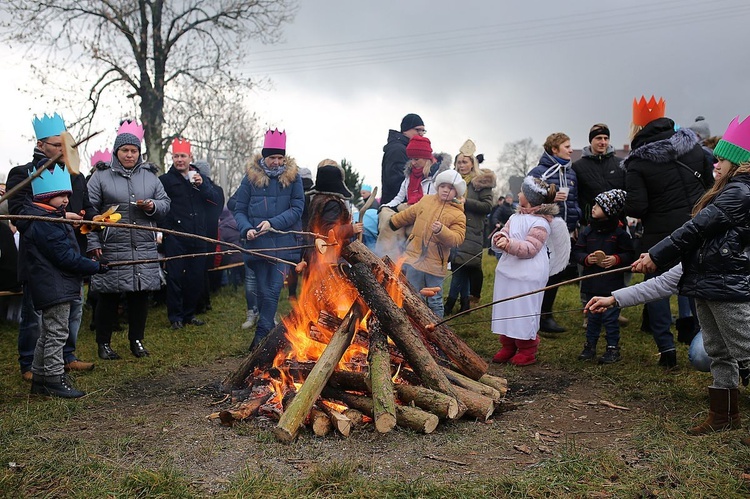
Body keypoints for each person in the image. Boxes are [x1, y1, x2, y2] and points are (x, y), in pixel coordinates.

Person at [622, 116, 750, 441]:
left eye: (721, 159)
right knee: (719, 350)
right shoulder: (725, 190)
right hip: (708, 282)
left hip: (727, 284)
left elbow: (695, 229)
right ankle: (724, 414)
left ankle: (727, 413)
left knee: (745, 350)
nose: (714, 165)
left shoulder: (740, 192)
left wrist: (656, 255)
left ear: (737, 163)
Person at [623, 95, 714, 368]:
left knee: (656, 290)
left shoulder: (637, 163)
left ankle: (666, 349)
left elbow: (637, 207)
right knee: (697, 285)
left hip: (659, 237)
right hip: (698, 230)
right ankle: (704, 343)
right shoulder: (696, 150)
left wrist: (620, 201)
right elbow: (712, 189)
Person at [6, 113, 97, 380]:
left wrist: (92, 220)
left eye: (64, 145)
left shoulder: (75, 176)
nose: (61, 150)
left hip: (71, 252)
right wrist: (60, 217)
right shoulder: (22, 174)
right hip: (41, 258)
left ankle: (66, 356)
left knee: (72, 309)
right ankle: (30, 364)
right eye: (56, 145)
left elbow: (87, 207)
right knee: (36, 313)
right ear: (41, 143)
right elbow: (19, 214)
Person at [87, 120, 171, 359]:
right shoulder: (100, 177)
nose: (129, 154)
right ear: (116, 152)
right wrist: (93, 244)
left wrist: (153, 205)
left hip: (143, 245)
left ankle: (137, 340)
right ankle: (103, 343)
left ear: (139, 153)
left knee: (140, 296)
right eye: (125, 150)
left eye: (134, 151)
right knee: (109, 297)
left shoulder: (151, 178)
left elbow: (165, 204)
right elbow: (90, 212)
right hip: (111, 246)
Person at [23, 163, 106, 397]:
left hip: (54, 284)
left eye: (68, 195)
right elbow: (65, 257)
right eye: (61, 195)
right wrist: (95, 267)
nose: (66, 200)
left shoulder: (48, 217)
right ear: (46, 196)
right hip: (54, 285)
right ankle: (53, 378)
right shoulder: (47, 223)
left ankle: (40, 378)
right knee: (57, 332)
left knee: (49, 332)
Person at [233, 129, 304, 351]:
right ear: (264, 156)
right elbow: (239, 208)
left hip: (283, 245)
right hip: (257, 245)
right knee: (263, 291)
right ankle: (267, 334)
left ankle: (260, 338)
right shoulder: (250, 179)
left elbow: (297, 208)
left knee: (273, 290)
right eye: (272, 157)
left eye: (279, 158)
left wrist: (273, 223)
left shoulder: (294, 179)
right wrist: (246, 229)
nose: (276, 162)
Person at [490, 176, 566, 366]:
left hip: (528, 273)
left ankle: (527, 348)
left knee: (523, 309)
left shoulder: (541, 223)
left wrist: (509, 244)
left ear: (530, 198)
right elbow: (506, 232)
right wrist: (500, 237)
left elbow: (531, 248)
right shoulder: (515, 217)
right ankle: (508, 344)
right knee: (505, 307)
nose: (518, 194)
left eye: (522, 192)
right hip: (508, 270)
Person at [159, 143, 223, 329]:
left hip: (198, 236)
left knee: (195, 278)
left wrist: (202, 186)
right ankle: (176, 317)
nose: (180, 160)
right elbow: (161, 208)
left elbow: (215, 202)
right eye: (176, 156)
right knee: (175, 277)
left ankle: (189, 314)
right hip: (176, 236)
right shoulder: (165, 180)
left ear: (190, 157)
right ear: (172, 158)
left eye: (183, 156)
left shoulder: (200, 179)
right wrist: (166, 231)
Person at [389, 170, 466, 318]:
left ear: (456, 192)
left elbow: (457, 238)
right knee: (412, 295)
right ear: (437, 187)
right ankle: (413, 324)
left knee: (434, 300)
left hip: (435, 265)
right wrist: (393, 222)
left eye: (450, 188)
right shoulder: (426, 201)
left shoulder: (458, 214)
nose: (445, 190)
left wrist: (441, 230)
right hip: (413, 258)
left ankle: (438, 330)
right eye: (443, 186)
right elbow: (410, 213)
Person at [572, 189, 634, 364]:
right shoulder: (588, 231)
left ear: (609, 211)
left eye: (598, 206)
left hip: (611, 286)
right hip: (591, 283)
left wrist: (616, 259)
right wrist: (586, 258)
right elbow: (577, 252)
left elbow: (629, 255)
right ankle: (590, 346)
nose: (593, 208)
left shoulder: (619, 233)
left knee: (610, 318)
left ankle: (612, 348)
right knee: (593, 317)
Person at [528, 132, 582, 333]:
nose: (570, 149)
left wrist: (575, 223)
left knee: (557, 272)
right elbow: (528, 200)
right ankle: (535, 315)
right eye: (566, 146)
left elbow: (574, 200)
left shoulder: (571, 172)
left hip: (565, 230)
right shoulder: (539, 172)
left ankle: (546, 315)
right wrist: (550, 197)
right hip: (544, 230)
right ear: (554, 149)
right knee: (542, 273)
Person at [444, 139, 496, 315]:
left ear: (472, 163)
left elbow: (488, 206)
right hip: (455, 226)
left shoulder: (481, 182)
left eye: (465, 161)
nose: (461, 165)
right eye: (459, 162)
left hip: (472, 229)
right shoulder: (454, 181)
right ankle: (465, 304)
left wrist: (467, 202)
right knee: (461, 265)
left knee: (460, 266)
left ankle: (449, 304)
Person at [376, 136, 449, 259]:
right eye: (411, 159)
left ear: (426, 157)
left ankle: (399, 257)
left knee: (405, 225)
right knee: (386, 214)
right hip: (409, 209)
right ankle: (386, 258)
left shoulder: (440, 176)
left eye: (416, 159)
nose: (413, 162)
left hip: (426, 213)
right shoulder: (410, 175)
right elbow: (399, 197)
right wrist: (384, 207)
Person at [306, 160, 363, 269]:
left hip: (316, 251)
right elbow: (328, 230)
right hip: (328, 254)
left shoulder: (318, 199)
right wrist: (352, 229)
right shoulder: (332, 203)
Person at [572, 124, 626, 226]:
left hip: (618, 225)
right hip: (589, 226)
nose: (603, 142)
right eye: (599, 138)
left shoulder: (620, 164)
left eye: (606, 138)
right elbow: (575, 198)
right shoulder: (577, 166)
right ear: (591, 140)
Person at [381, 113, 425, 205]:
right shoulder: (398, 150)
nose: (421, 134)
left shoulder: (406, 149)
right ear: (405, 130)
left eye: (423, 131)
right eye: (417, 130)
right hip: (396, 206)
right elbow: (396, 182)